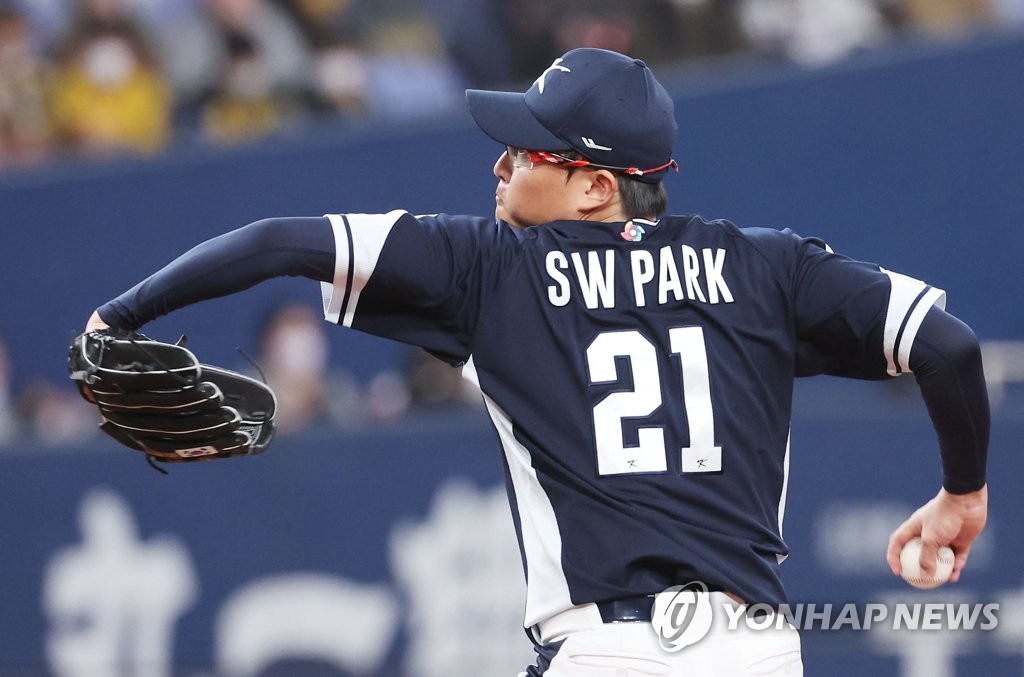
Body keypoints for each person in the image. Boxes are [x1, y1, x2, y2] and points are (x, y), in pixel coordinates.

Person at [82, 47, 989, 675]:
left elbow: (278, 239)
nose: (502, 166)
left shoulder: (493, 268)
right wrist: (961, 495)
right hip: (760, 649)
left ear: (597, 184)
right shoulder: (770, 266)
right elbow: (947, 346)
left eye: (527, 150)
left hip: (608, 647)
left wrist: (118, 316)